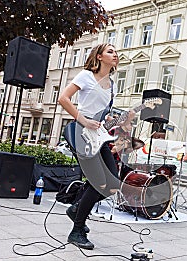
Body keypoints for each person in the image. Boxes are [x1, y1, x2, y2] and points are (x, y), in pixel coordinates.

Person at [58, 43, 135, 250]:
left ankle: (77, 208)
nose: (115, 54)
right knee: (98, 181)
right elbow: (63, 99)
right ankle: (77, 229)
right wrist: (83, 120)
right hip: (81, 133)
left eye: (116, 52)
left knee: (112, 184)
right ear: (99, 57)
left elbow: (104, 117)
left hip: (99, 136)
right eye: (110, 51)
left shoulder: (112, 85)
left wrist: (116, 119)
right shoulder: (86, 76)